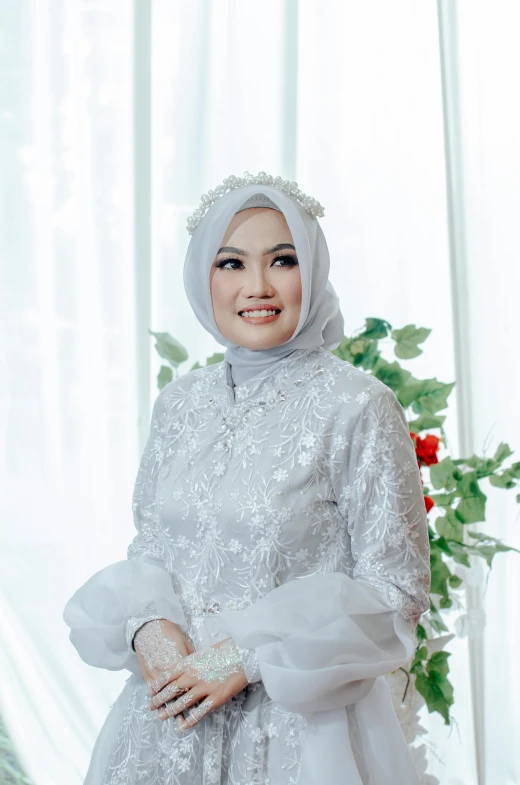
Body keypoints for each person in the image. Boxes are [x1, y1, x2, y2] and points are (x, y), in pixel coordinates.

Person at [64, 171, 431, 785]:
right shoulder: (179, 404)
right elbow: (152, 545)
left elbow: (396, 590)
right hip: (167, 721)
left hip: (296, 731)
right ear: (201, 276)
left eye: (281, 260)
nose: (256, 287)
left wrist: (246, 657)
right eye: (231, 264)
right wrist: (148, 627)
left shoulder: (358, 406)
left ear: (311, 270)